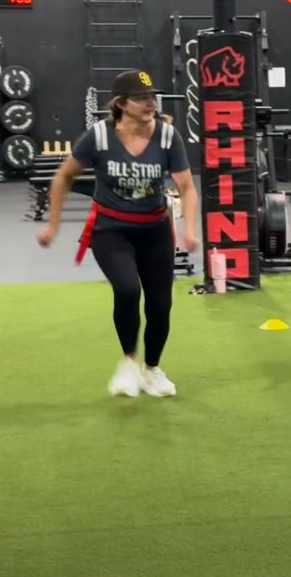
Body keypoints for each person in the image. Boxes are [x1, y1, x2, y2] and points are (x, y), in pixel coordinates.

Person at [38, 70, 199, 398]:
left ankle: (152, 370)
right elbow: (62, 177)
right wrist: (53, 225)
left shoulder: (168, 137)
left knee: (160, 304)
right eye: (142, 98)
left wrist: (190, 229)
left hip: (155, 231)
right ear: (122, 104)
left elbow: (186, 187)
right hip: (110, 230)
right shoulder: (98, 137)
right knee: (127, 289)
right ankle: (128, 362)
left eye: (153, 97)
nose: (150, 103)